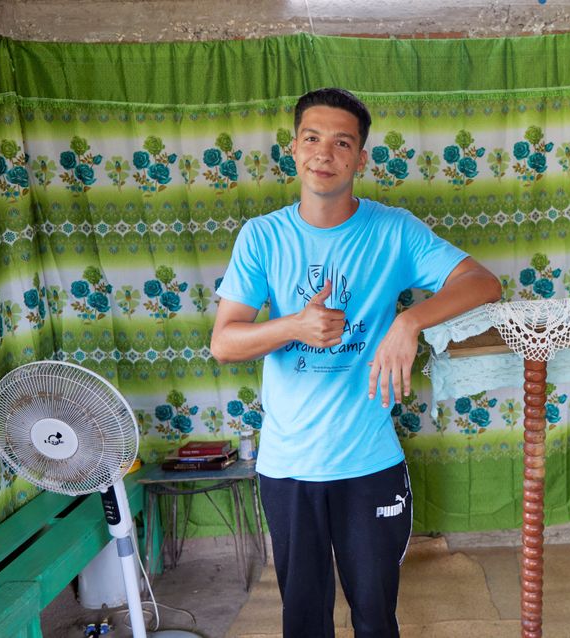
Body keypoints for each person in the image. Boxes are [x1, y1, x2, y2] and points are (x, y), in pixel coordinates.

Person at [210, 87, 502, 637]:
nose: (325, 153)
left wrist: (409, 320)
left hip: (368, 465)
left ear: (361, 159)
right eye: (312, 139)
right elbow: (225, 343)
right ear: (293, 149)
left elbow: (484, 283)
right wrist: (295, 326)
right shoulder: (263, 237)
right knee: (303, 620)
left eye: (342, 142)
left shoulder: (393, 231)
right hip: (288, 467)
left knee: (374, 617)